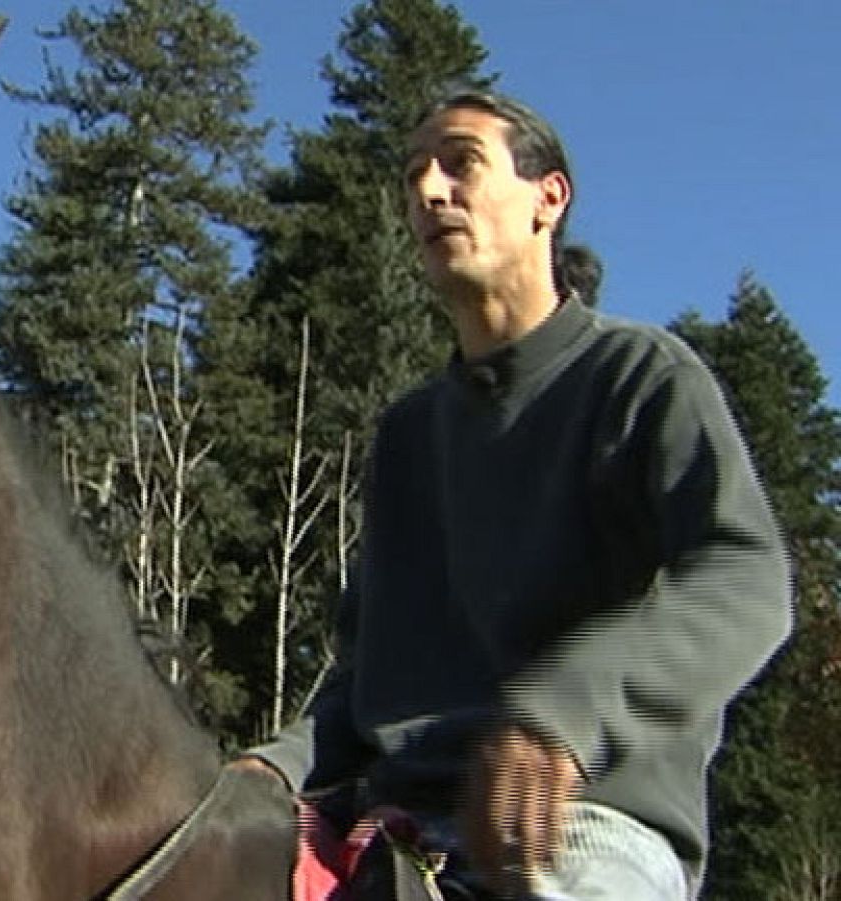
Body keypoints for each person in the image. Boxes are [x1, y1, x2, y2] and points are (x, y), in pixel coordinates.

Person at [239, 89, 791, 900]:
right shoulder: (408, 436)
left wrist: (563, 713)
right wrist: (267, 771)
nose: (428, 191)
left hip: (585, 825)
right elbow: (362, 683)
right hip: (392, 832)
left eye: (460, 163)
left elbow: (746, 581)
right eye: (413, 176)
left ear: (549, 198)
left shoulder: (640, 377)